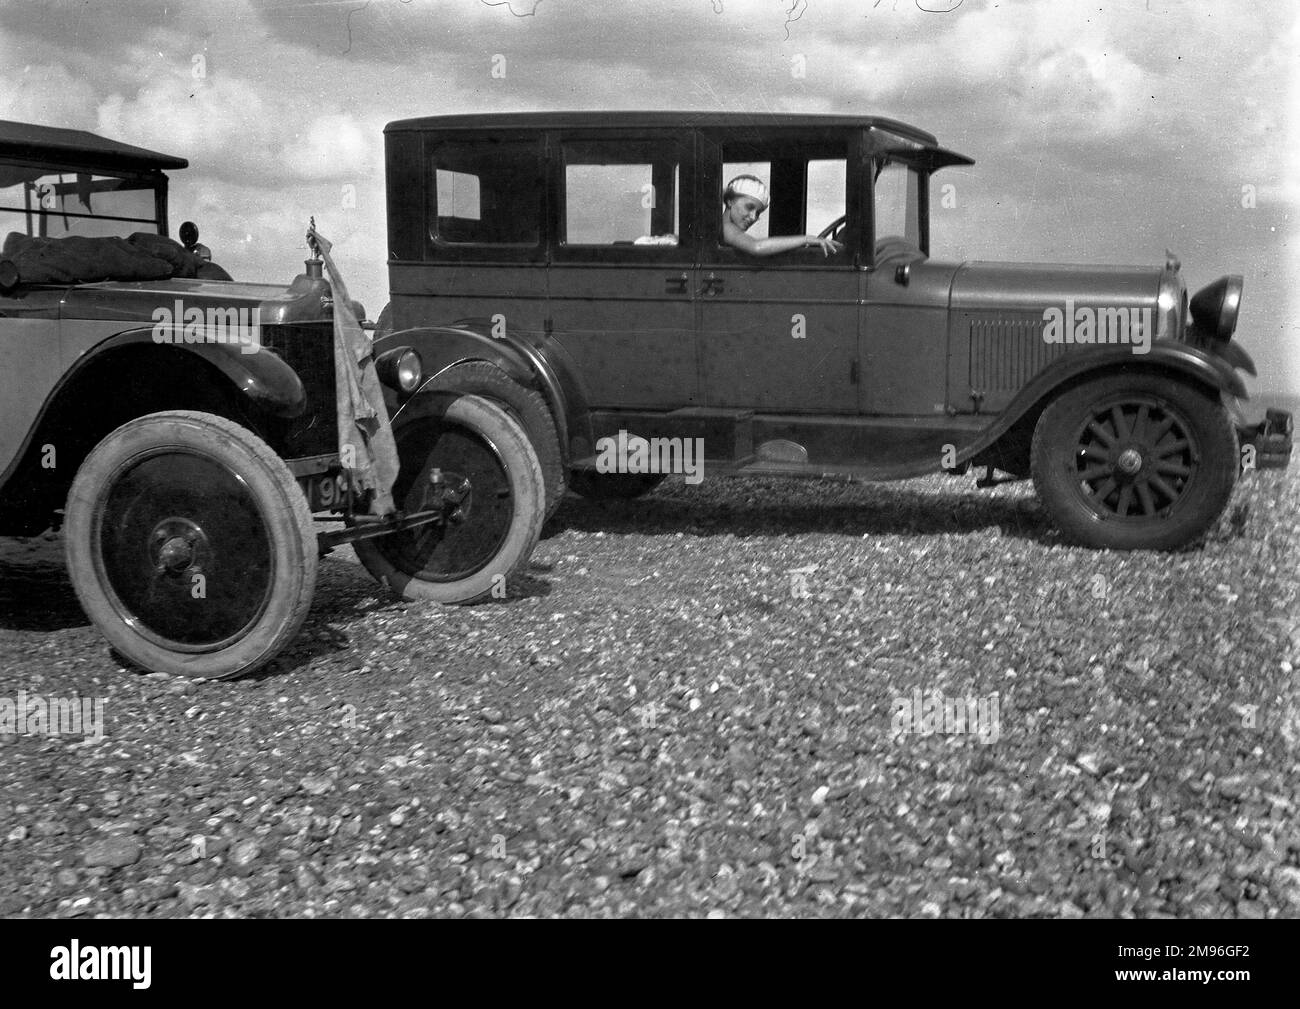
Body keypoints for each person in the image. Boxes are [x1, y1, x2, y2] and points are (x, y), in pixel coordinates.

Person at [721, 175, 842, 257]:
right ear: (730, 201)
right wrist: (806, 239)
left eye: (758, 213)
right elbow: (756, 247)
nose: (753, 217)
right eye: (749, 207)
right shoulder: (725, 227)